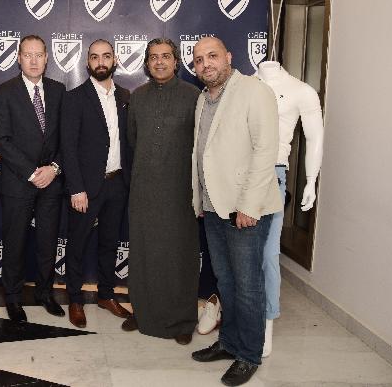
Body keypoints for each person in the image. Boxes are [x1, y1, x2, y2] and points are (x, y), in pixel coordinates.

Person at [189, 36, 282, 386]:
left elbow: (265, 151)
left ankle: (249, 354)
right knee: (225, 281)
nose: (206, 64)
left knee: (247, 286)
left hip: (244, 209)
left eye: (212, 56)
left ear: (228, 57)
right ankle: (229, 343)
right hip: (214, 207)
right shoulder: (204, 98)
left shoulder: (254, 92)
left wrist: (249, 206)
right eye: (199, 60)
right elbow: (202, 152)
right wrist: (200, 200)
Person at [124, 38, 200, 344]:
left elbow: (200, 144)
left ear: (176, 61)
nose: (159, 62)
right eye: (153, 57)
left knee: (179, 254)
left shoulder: (194, 96)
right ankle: (142, 311)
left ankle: (181, 321)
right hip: (144, 188)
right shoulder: (138, 97)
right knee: (144, 252)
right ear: (146, 63)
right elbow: (133, 140)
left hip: (180, 190)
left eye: (165, 56)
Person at [0, 35, 66, 322]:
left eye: (38, 55)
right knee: (15, 243)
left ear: (47, 58)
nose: (33, 61)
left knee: (48, 242)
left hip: (52, 181)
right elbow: (1, 139)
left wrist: (54, 168)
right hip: (17, 181)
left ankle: (45, 293)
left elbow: (67, 137)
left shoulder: (59, 90)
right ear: (19, 58)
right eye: (27, 55)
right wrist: (32, 173)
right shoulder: (4, 92)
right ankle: (12, 297)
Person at [60, 39, 132, 328]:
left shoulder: (125, 96)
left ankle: (106, 295)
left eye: (106, 56)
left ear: (115, 60)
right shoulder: (75, 98)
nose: (100, 62)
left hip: (117, 183)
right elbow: (68, 147)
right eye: (94, 57)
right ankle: (75, 299)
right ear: (87, 62)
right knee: (77, 244)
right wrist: (76, 188)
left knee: (110, 243)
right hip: (86, 188)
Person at [257, 60, 323, 357]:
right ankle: (237, 316)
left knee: (268, 253)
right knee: (237, 253)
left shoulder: (300, 90)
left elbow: (314, 136)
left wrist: (311, 181)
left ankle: (267, 321)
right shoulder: (242, 84)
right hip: (237, 173)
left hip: (272, 172)